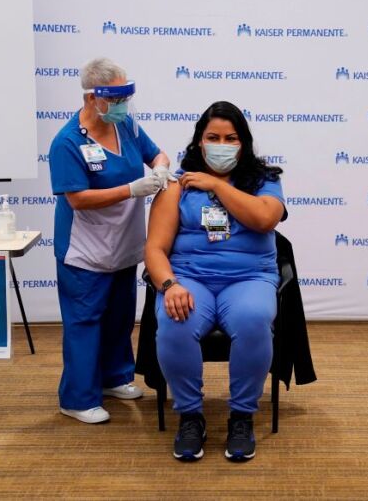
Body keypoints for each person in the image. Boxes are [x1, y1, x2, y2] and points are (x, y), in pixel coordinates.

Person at [144, 101, 286, 462]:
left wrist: (216, 186)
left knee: (253, 318)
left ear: (243, 143)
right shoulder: (176, 185)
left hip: (249, 277)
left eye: (230, 138)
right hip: (190, 278)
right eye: (213, 137)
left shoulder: (265, 180)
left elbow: (265, 219)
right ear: (199, 141)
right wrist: (170, 285)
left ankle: (242, 418)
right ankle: (191, 417)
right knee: (176, 320)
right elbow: (155, 249)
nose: (221, 145)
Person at [49, 58, 176, 423]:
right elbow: (77, 198)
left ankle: (115, 377)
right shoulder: (67, 142)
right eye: (115, 98)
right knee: (85, 322)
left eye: (125, 97)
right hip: (85, 250)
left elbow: (157, 153)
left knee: (119, 318)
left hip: (123, 245)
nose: (122, 105)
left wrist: (161, 168)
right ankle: (77, 398)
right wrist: (132, 189)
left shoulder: (126, 126)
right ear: (92, 97)